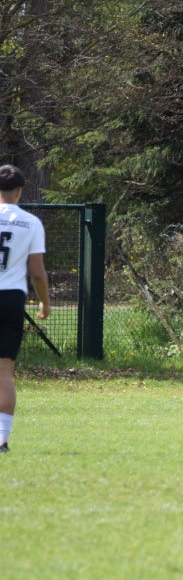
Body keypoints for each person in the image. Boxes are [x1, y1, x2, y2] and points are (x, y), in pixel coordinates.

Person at [0, 164, 50, 454]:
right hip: (11, 298)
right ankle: (1, 441)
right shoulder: (31, 222)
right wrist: (45, 301)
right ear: (19, 191)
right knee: (4, 372)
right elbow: (37, 273)